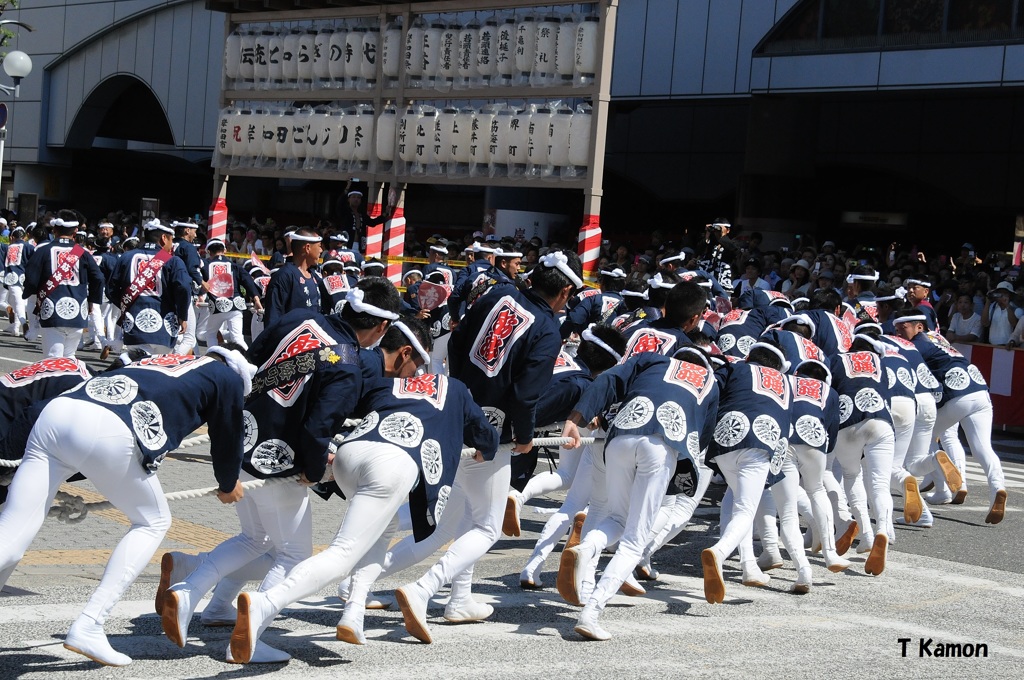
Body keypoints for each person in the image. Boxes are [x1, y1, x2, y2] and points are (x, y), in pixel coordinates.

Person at [160, 278, 401, 662]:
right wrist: (312, 468)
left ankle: (187, 593)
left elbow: (251, 363)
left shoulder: (299, 317)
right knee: (293, 555)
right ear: (381, 327)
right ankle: (250, 635)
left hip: (239, 439)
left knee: (254, 538)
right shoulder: (350, 363)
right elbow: (319, 427)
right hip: (277, 459)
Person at [0, 349, 252, 666]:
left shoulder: (164, 359)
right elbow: (228, 435)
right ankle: (91, 622)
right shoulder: (227, 379)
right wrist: (228, 483)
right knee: (153, 522)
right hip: (106, 429)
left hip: (56, 413)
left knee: (11, 535)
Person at [229, 370, 499, 663]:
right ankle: (266, 602)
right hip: (392, 463)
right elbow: (485, 434)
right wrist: (488, 448)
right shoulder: (457, 388)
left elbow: (341, 410)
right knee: (343, 554)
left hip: (351, 452)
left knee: (383, 529)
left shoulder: (389, 384)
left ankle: (354, 613)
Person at [392, 250, 579, 643]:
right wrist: (525, 437)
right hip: (494, 433)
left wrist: (462, 393)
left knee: (459, 521)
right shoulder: (547, 327)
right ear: (564, 291)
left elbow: (458, 341)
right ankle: (424, 589)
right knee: (487, 526)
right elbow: (527, 394)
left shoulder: (498, 294)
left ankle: (458, 598)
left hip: (457, 411)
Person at [559, 327, 717, 639]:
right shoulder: (709, 383)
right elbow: (703, 438)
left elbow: (608, 380)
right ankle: (591, 612)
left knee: (617, 517)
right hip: (660, 447)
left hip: (620, 437)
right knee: (634, 539)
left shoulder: (652, 360)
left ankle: (588, 546)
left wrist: (574, 419)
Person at [894, 308, 1007, 523]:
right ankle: (998, 487)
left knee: (923, 440)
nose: (899, 334)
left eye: (903, 329)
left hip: (957, 394)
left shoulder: (916, 345)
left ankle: (944, 489)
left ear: (919, 327)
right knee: (983, 447)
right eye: (896, 330)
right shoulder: (938, 337)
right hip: (980, 389)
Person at [23, 211, 105, 358]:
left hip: (51, 310)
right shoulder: (84, 253)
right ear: (75, 231)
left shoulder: (43, 251)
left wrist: (33, 295)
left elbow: (31, 278)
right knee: (69, 357)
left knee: (53, 358)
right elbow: (98, 277)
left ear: (54, 230)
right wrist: (92, 301)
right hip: (77, 310)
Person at [107, 219, 192, 355]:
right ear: (164, 238)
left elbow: (111, 289)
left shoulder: (126, 257)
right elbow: (183, 287)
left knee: (137, 371)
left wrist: (128, 305)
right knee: (160, 371)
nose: (171, 246)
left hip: (134, 327)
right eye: (171, 241)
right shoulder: (173, 261)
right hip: (164, 328)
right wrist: (182, 315)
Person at [201, 238, 263, 350]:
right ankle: (248, 360)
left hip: (217, 306)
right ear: (224, 250)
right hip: (236, 305)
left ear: (209, 252)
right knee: (237, 338)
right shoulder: (235, 266)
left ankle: (215, 359)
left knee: (210, 334)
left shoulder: (205, 265)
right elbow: (248, 281)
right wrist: (256, 300)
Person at [261, 227, 330, 328]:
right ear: (307, 248)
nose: (321, 250)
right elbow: (273, 316)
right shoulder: (284, 276)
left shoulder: (315, 276)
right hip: (291, 339)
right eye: (319, 246)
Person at [171, 220, 205, 356]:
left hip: (167, 291)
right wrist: (203, 283)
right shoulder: (188, 247)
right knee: (189, 336)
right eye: (194, 230)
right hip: (183, 291)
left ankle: (195, 360)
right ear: (187, 230)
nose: (195, 234)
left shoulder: (169, 244)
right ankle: (171, 361)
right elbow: (192, 268)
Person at [3, 226, 34, 337]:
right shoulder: (28, 246)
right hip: (24, 277)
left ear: (13, 237)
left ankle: (22, 324)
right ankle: (16, 328)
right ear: (24, 236)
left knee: (16, 303)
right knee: (20, 303)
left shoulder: (9, 247)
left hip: (11, 277)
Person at [981, 281, 1016, 345]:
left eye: (1005, 293)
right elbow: (984, 323)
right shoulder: (992, 307)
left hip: (1008, 346)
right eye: (1000, 292)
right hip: (991, 345)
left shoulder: (1014, 307)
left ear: (1010, 295)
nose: (1002, 295)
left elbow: (1014, 323)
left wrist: (1007, 305)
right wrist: (988, 302)